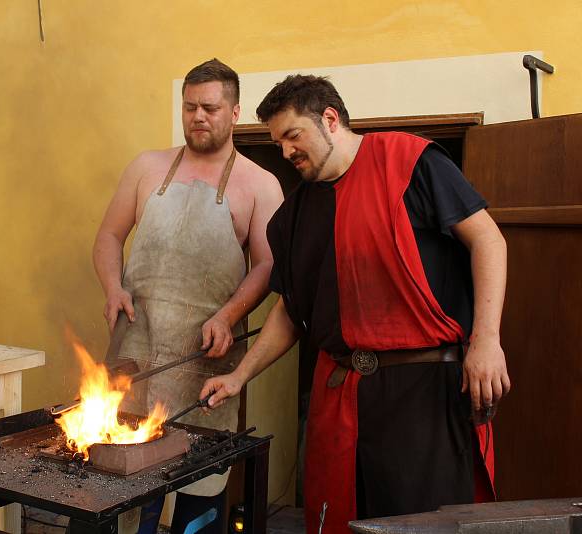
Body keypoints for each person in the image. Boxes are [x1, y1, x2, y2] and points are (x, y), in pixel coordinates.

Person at [200, 75, 511, 533]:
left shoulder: (410, 162)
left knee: (426, 525)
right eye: (278, 141)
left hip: (424, 395)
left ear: (330, 119)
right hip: (340, 398)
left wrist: (486, 340)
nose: (285, 152)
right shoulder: (293, 216)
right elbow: (292, 311)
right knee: (341, 520)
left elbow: (487, 239)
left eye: (292, 136)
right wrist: (238, 376)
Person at [93, 59, 283, 533]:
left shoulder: (261, 184)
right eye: (190, 107)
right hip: (136, 354)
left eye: (211, 108)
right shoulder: (146, 167)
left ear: (235, 112)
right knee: (126, 487)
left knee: (198, 494)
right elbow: (108, 238)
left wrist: (229, 315)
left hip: (204, 361)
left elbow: (268, 265)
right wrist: (113, 288)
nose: (198, 116)